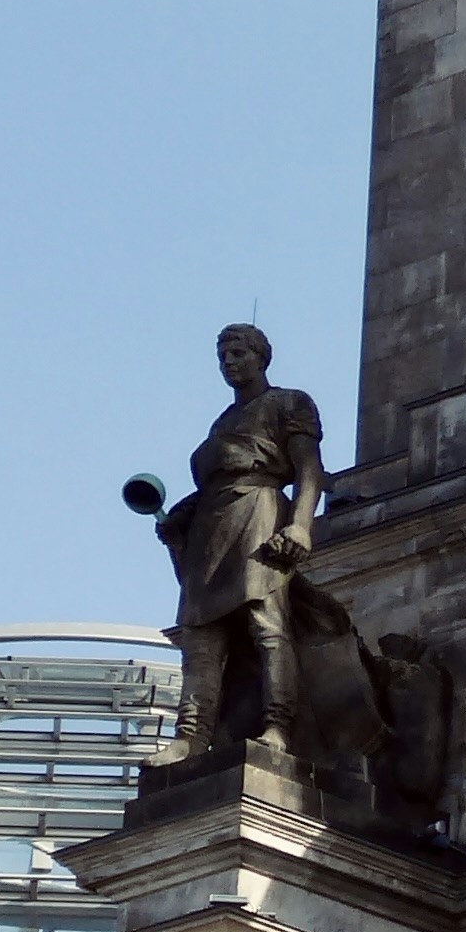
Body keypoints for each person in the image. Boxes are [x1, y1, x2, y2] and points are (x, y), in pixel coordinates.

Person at [157, 325, 327, 760]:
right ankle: (191, 736)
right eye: (223, 355)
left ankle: (279, 724)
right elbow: (216, 480)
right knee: (201, 637)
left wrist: (301, 525)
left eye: (238, 352)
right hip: (211, 526)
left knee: (266, 623)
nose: (229, 362)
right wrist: (183, 514)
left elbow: (310, 470)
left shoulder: (290, 402)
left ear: (261, 357)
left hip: (259, 511)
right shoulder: (222, 422)